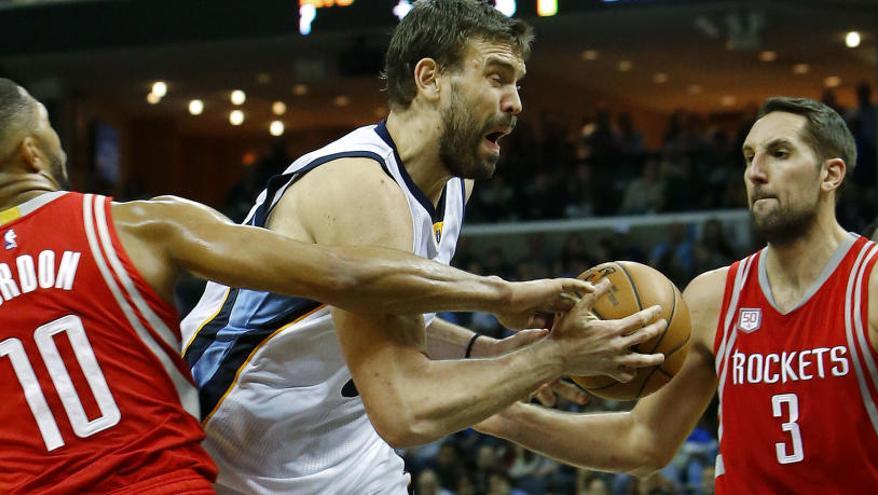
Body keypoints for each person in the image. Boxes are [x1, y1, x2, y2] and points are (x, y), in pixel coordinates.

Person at [0, 79, 594, 493]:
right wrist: (503, 296)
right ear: (32, 153)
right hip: (165, 479)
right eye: (51, 128)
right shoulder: (136, 224)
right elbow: (348, 275)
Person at [181, 1, 665, 493]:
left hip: (340, 447)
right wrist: (555, 357)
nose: (516, 102)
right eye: (497, 77)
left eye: (518, 83)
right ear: (430, 79)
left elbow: (395, 324)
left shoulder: (454, 183)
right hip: (227, 447)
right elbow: (404, 411)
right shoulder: (359, 185)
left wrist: (485, 350)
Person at [476, 97, 878, 492]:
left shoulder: (871, 282)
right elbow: (642, 441)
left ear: (831, 174)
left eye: (779, 153)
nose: (755, 173)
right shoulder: (714, 296)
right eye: (748, 156)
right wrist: (498, 415)